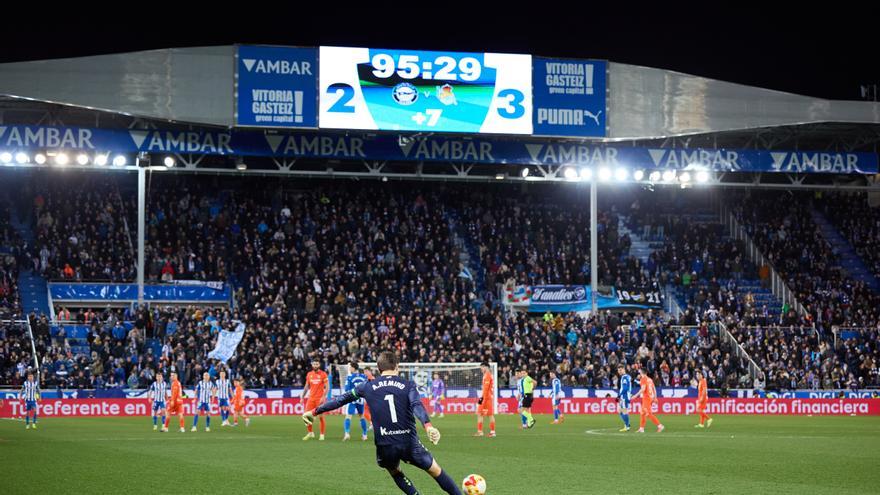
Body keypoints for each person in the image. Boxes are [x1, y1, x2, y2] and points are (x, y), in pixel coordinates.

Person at [302, 351, 461, 495]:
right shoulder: (408, 385)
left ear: (378, 369)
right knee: (435, 471)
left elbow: (341, 399)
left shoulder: (367, 386)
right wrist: (428, 426)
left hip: (386, 444)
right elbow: (416, 405)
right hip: (409, 442)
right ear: (397, 366)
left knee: (394, 471)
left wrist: (314, 411)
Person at [301, 358, 329, 441]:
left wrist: (323, 397)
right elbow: (306, 387)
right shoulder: (309, 374)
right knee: (306, 416)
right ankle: (310, 433)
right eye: (314, 364)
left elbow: (327, 387)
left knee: (321, 417)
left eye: (317, 364)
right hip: (311, 399)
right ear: (312, 365)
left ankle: (322, 435)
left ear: (319, 365)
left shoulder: (323, 374)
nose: (315, 365)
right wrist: (302, 397)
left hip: (319, 399)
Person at [631, 367, 664, 433]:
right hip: (650, 398)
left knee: (648, 413)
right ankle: (641, 428)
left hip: (647, 398)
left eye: (639, 372)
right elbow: (654, 388)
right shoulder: (649, 379)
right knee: (642, 413)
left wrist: (635, 396)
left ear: (642, 372)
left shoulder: (643, 379)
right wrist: (655, 397)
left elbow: (643, 389)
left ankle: (660, 426)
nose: (639, 373)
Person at [343, 362, 369, 441]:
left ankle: (347, 433)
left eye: (350, 367)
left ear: (353, 368)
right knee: (361, 416)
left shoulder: (350, 377)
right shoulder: (364, 376)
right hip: (360, 399)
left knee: (348, 416)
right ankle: (364, 435)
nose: (349, 369)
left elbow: (347, 389)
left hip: (352, 398)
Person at [475, 362, 496, 437]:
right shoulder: (488, 375)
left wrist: (482, 399)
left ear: (486, 367)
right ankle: (491, 432)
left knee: (481, 414)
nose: (481, 369)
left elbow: (486, 389)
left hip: (486, 398)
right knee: (486, 414)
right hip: (487, 397)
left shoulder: (487, 375)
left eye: (482, 367)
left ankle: (481, 432)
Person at [617, 365, 632, 432]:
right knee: (620, 411)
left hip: (624, 396)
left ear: (624, 369)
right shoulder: (628, 376)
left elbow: (625, 388)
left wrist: (619, 395)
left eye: (620, 370)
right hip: (626, 396)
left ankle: (627, 426)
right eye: (618, 370)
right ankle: (627, 425)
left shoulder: (624, 377)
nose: (619, 371)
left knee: (623, 411)